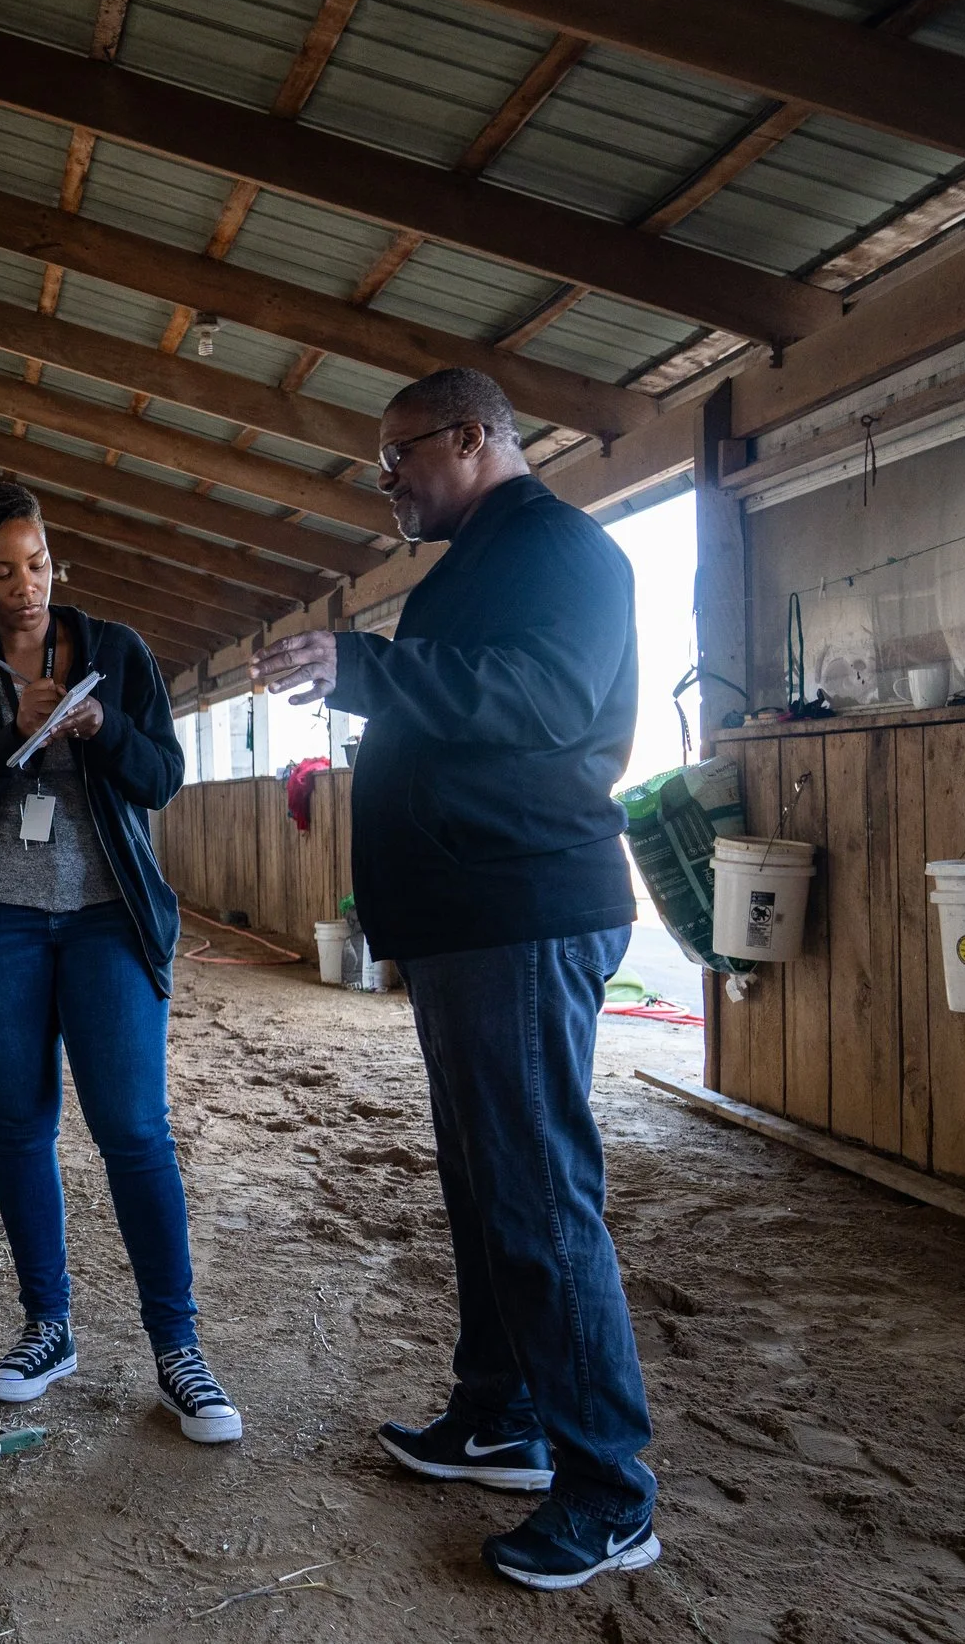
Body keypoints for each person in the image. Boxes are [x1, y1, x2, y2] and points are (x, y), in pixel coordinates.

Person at [252, 368, 656, 1589]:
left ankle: (609, 1491)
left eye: (399, 456)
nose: (389, 482)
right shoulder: (480, 559)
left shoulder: (562, 551)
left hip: (523, 911)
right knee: (488, 1186)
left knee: (537, 1195)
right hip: (469, 919)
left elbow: (544, 696)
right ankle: (499, 1415)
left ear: (475, 437)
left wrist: (369, 670)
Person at [0, 482, 242, 1445]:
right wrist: (14, 736)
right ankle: (47, 1328)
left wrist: (103, 730)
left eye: (38, 564)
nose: (25, 586)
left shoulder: (118, 653)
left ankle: (178, 1347)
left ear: (58, 561)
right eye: (4, 571)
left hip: (105, 919)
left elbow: (164, 776)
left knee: (134, 1128)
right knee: (22, 1127)